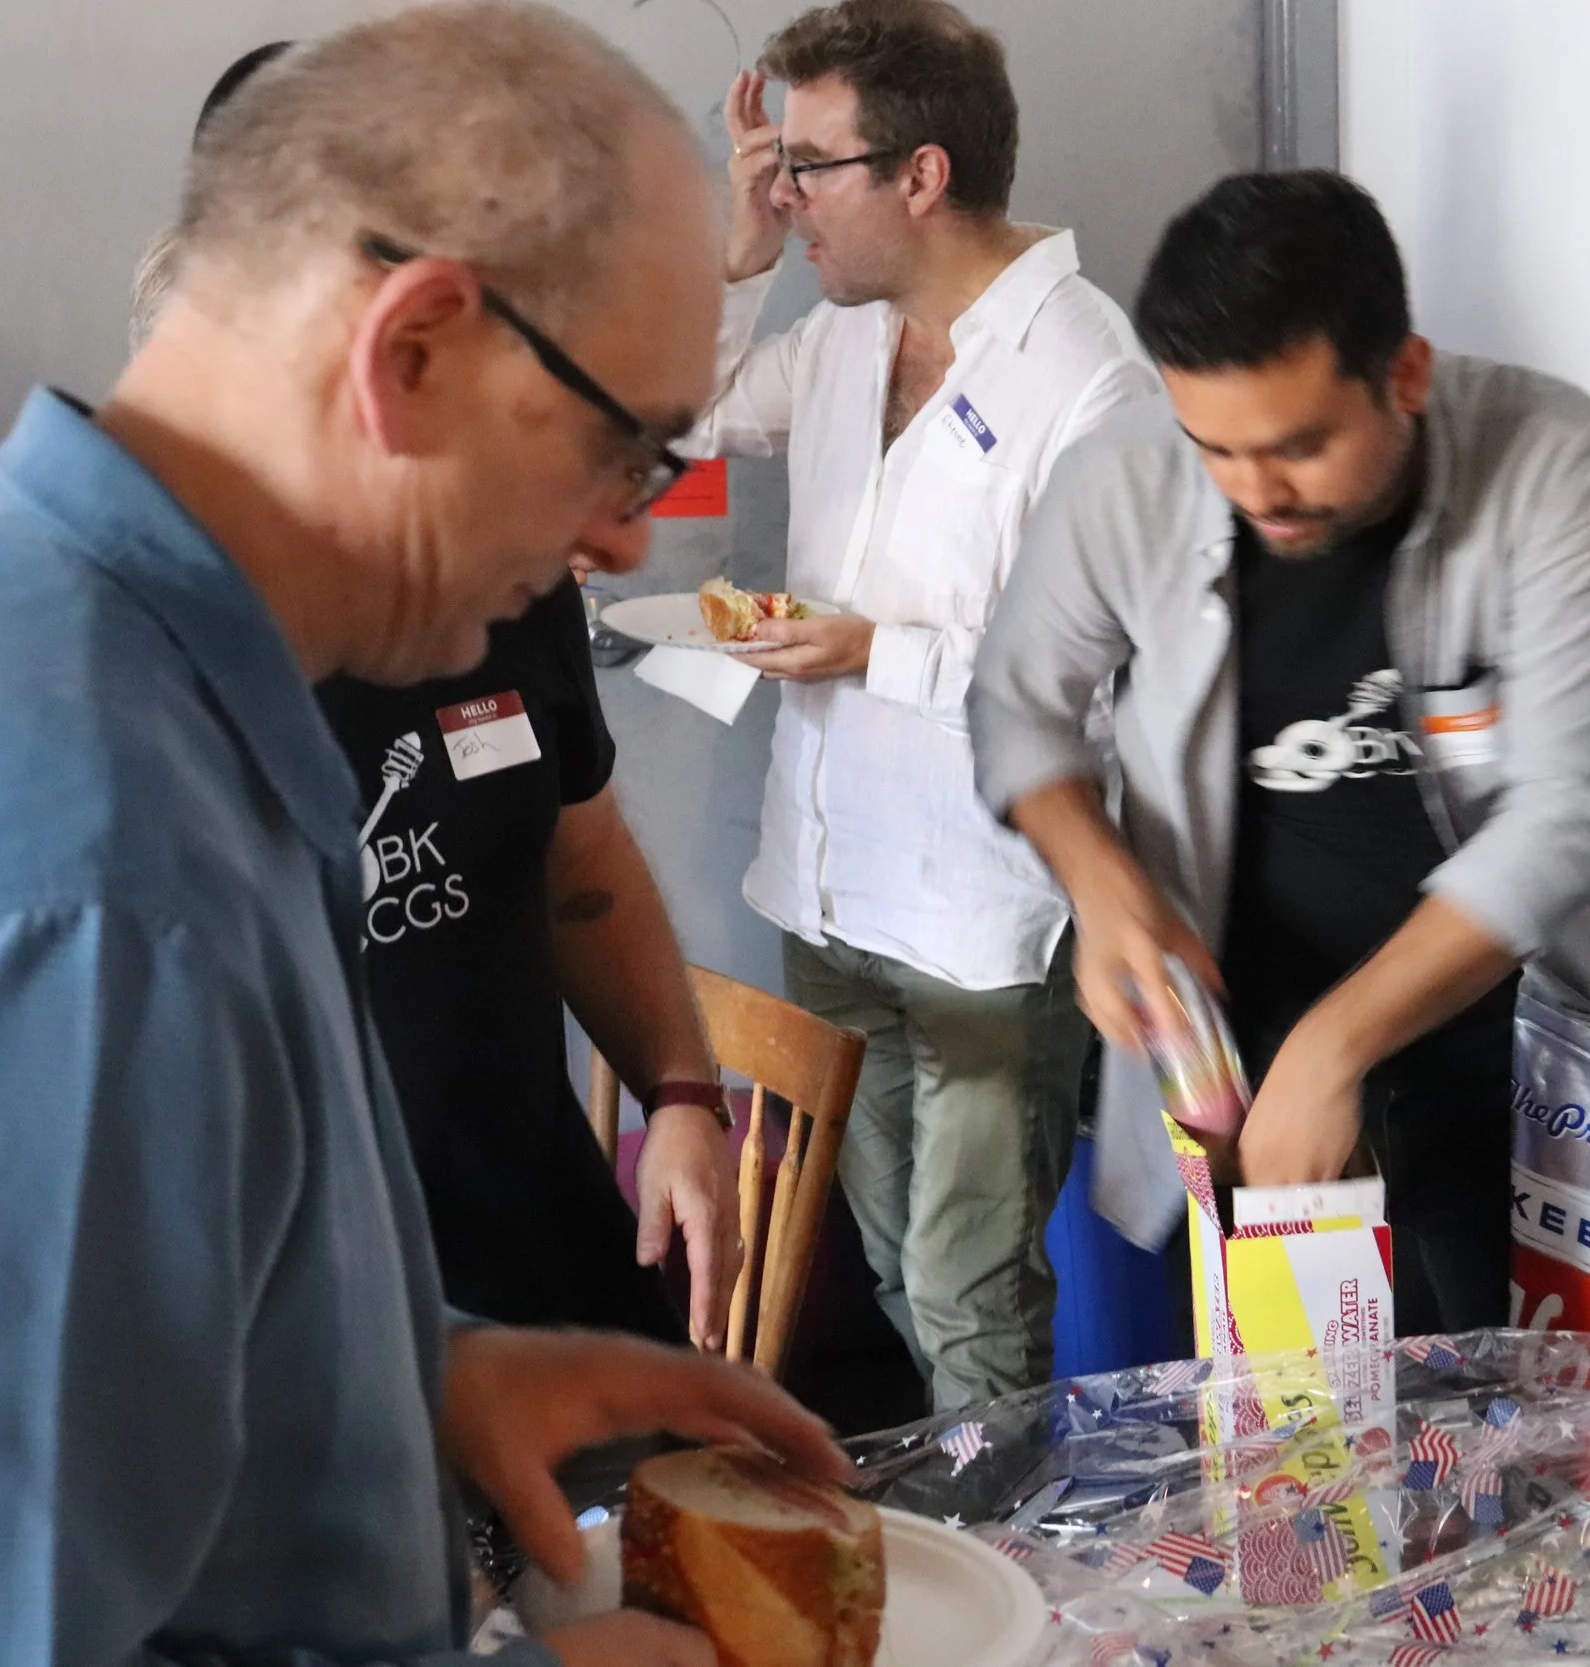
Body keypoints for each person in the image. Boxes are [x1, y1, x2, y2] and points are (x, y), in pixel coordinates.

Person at [0, 8, 847, 1665]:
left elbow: (110, 1344)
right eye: (621, 450)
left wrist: (404, 1372)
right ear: (412, 348)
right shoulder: (92, 876)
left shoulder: (49, 634)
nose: (627, 535)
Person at [969, 171, 1590, 1336]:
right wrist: (1101, 882)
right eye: (1215, 449)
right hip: (1236, 1066)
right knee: (1289, 1428)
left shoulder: (1543, 455)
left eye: (1298, 446)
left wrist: (1338, 1045)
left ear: (1406, 375)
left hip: (1503, 1059)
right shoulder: (1120, 474)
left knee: (1524, 1415)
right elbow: (1017, 703)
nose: (1256, 491)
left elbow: (1567, 815)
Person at [150, 38, 739, 1353]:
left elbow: (578, 859)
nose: (621, 540)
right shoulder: (114, 697)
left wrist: (681, 1093)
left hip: (525, 1280)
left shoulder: (505, 581)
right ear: (406, 347)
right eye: (593, 437)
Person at [686, 0, 1159, 1408]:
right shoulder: (843, 333)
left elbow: (1101, 675)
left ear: (921, 174)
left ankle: (1012, 1536)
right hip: (830, 889)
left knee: (969, 1292)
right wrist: (737, 256)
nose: (786, 193)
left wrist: (871, 653)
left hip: (980, 925)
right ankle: (983, 1502)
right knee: (899, 1271)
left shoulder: (1090, 376)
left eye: (806, 166)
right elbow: (678, 420)